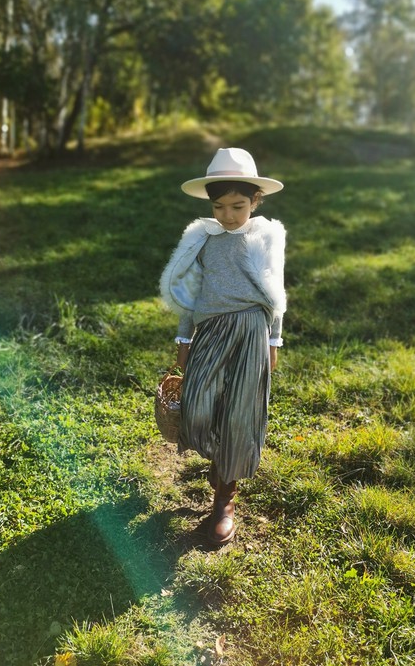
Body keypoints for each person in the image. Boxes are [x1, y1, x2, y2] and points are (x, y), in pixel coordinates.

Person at [159, 147, 286, 545]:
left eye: (238, 205)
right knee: (197, 404)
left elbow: (275, 292)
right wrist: (184, 339)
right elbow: (188, 294)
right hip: (210, 330)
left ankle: (224, 497)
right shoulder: (203, 239)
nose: (228, 215)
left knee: (238, 415)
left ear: (255, 201)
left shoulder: (264, 237)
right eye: (219, 206)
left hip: (250, 329)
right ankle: (218, 461)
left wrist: (273, 341)